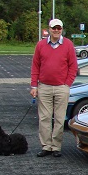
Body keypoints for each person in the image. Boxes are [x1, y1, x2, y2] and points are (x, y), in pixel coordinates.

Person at [30, 18, 78, 158]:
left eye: (59, 28)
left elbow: (73, 66)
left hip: (61, 87)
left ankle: (56, 146)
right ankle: (46, 146)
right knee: (44, 118)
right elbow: (35, 66)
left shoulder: (68, 45)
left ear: (62, 29)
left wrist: (67, 83)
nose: (56, 30)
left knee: (59, 118)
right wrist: (34, 85)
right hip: (44, 86)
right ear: (49, 29)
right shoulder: (40, 45)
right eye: (54, 28)